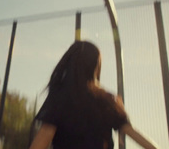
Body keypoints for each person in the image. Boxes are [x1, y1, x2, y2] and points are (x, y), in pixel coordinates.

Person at [29, 41, 159, 149]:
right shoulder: (106, 99)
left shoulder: (59, 98)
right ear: (95, 67)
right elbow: (131, 132)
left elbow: (43, 137)